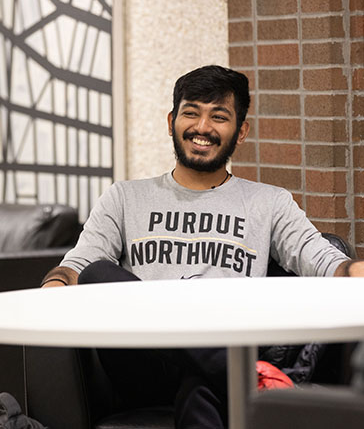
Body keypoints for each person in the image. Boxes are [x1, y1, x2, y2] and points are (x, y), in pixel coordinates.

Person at [41, 65, 364, 428]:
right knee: (97, 273)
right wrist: (52, 289)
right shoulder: (125, 197)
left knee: (202, 384)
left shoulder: (268, 202)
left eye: (219, 117)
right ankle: (252, 378)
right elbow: (78, 264)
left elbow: (321, 258)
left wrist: (354, 271)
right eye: (191, 112)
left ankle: (232, 371)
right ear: (171, 121)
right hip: (146, 364)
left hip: (224, 355)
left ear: (240, 131)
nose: (202, 128)